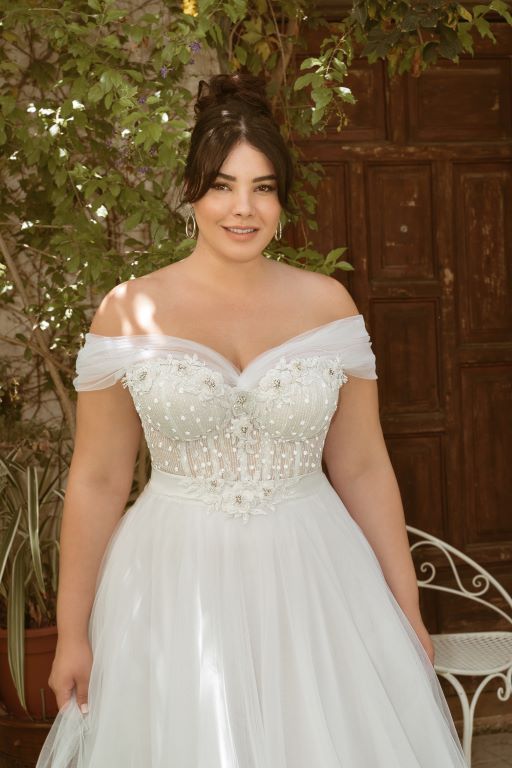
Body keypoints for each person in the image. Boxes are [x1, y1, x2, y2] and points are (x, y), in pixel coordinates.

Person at [36, 74, 468, 767]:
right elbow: (97, 478)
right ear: (191, 195)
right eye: (223, 186)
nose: (244, 208)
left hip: (315, 575)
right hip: (172, 579)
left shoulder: (328, 306)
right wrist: (72, 632)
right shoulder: (128, 311)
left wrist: (406, 609)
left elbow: (360, 465)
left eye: (263, 187)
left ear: (282, 200)